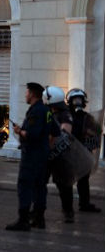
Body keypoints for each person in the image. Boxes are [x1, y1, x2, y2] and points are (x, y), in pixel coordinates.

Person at [6, 82, 52, 231]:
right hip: (43, 156)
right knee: (40, 187)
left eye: (26, 93)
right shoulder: (47, 111)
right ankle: (39, 219)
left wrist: (20, 131)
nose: (25, 95)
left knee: (25, 186)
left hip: (31, 156)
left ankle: (23, 220)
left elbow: (32, 134)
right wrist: (46, 148)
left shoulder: (36, 111)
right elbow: (55, 132)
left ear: (32, 94)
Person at [43, 86, 76, 223]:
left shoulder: (65, 114)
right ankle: (37, 212)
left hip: (61, 155)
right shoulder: (47, 112)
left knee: (64, 185)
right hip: (46, 154)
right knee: (40, 183)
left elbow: (64, 133)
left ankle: (68, 211)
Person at [66, 88, 102, 213]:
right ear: (69, 101)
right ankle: (68, 207)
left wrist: (91, 135)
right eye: (75, 100)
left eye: (79, 100)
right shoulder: (66, 116)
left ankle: (84, 204)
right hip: (68, 152)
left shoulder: (87, 117)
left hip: (82, 153)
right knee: (67, 181)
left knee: (83, 180)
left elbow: (96, 133)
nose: (77, 102)